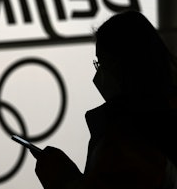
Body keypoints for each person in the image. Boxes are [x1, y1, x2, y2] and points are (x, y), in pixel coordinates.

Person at [34, 11, 177, 189]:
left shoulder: (129, 140)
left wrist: (63, 180)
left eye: (101, 63)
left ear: (124, 65)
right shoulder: (161, 122)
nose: (98, 74)